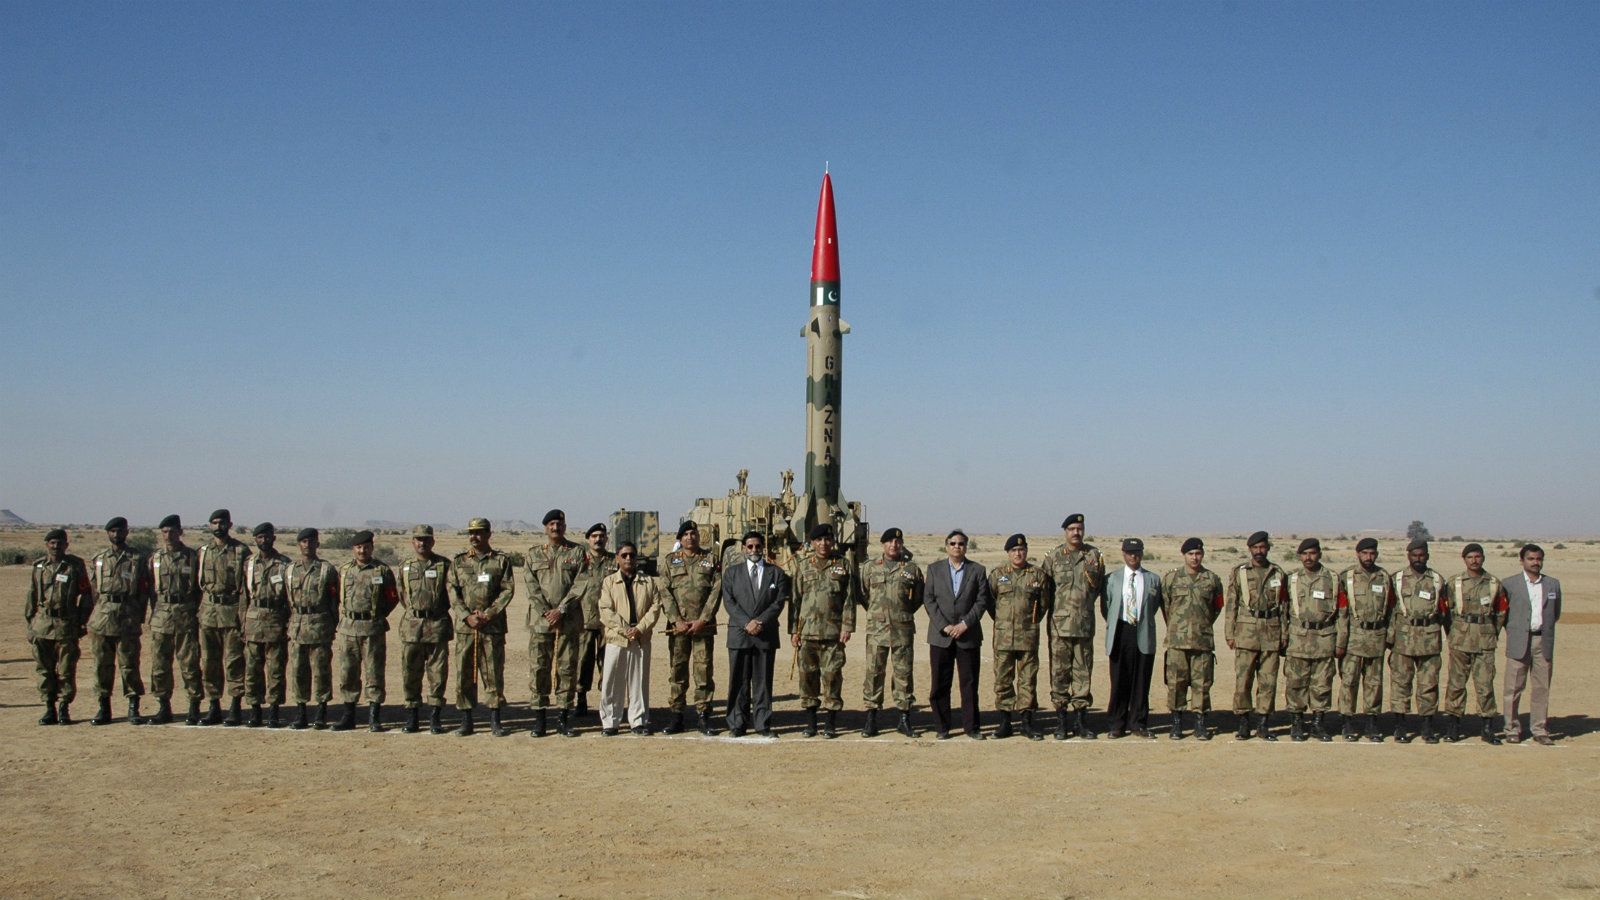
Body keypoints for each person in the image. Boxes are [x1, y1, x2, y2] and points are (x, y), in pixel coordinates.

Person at [787, 523, 860, 738]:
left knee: (832, 677)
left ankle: (830, 723)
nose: (824, 544)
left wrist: (847, 626)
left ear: (832, 541)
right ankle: (811, 723)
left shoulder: (842, 565)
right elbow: (795, 600)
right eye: (819, 540)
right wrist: (794, 630)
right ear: (812, 543)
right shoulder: (803, 565)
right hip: (807, 631)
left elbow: (849, 599)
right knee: (807, 677)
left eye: (828, 540)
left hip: (833, 632)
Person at [522, 509, 589, 737]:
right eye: (551, 524)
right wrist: (546, 612)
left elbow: (580, 584)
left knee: (567, 669)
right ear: (545, 527)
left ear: (564, 526)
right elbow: (531, 587)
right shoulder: (533, 555)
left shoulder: (577, 553)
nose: (555, 528)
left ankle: (563, 717)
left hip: (568, 621)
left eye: (559, 524)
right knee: (539, 668)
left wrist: (561, 610)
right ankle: (540, 718)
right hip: (541, 623)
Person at [451, 518, 516, 736]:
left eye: (479, 532)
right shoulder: (459, 562)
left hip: (492, 628)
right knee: (464, 673)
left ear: (489, 534)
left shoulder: (500, 561)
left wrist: (488, 614)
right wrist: (466, 616)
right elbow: (453, 593)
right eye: (471, 532)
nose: (474, 536)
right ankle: (466, 719)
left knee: (493, 674)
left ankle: (495, 719)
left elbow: (507, 590)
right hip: (466, 629)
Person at [1041, 513, 1104, 739]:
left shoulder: (1094, 556)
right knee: (1059, 674)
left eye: (1079, 528)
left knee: (1083, 674)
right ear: (1065, 531)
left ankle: (1080, 722)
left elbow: (1097, 589)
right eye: (1072, 529)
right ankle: (1060, 722)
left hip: (1084, 626)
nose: (1076, 532)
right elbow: (1045, 592)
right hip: (1059, 627)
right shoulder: (1054, 557)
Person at [923, 529, 991, 740]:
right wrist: (944, 626)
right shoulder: (934, 569)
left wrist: (964, 625)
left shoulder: (978, 570)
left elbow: (981, 601)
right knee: (940, 684)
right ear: (946, 546)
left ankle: (971, 727)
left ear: (966, 547)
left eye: (961, 544)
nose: (957, 547)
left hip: (967, 635)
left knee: (969, 684)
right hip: (940, 636)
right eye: (953, 543)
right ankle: (942, 727)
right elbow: (929, 600)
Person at [722, 531, 788, 737]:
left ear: (763, 548)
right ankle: (737, 723)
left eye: (758, 546)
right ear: (743, 549)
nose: (754, 550)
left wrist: (759, 622)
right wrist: (746, 623)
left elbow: (778, 602)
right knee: (738, 682)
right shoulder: (732, 573)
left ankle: (762, 723)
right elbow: (729, 601)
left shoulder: (776, 573)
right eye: (749, 547)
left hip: (764, 634)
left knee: (762, 682)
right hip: (739, 634)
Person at [859, 527, 923, 738]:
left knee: (903, 675)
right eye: (889, 542)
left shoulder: (912, 569)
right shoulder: (870, 568)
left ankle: (904, 718)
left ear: (901, 544)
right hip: (877, 630)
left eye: (897, 542)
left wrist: (900, 613)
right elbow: (863, 595)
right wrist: (879, 613)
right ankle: (871, 718)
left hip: (902, 630)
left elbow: (917, 598)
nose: (893, 545)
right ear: (883, 544)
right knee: (874, 673)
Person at [86, 517, 151, 726]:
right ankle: (104, 707)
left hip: (127, 617)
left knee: (129, 664)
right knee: (102, 665)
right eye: (112, 531)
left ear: (127, 532)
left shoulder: (137, 558)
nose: (116, 535)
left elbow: (143, 590)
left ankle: (133, 707)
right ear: (108, 533)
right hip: (102, 618)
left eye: (119, 531)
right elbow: (93, 591)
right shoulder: (99, 559)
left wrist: (138, 617)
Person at [660, 521, 723, 735]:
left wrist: (703, 619)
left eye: (693, 533)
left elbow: (716, 591)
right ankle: (677, 716)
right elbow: (664, 593)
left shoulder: (710, 560)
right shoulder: (670, 561)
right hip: (677, 629)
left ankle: (704, 716)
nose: (690, 538)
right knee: (678, 671)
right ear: (680, 538)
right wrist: (676, 619)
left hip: (702, 628)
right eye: (685, 534)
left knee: (703, 672)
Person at [1442, 543, 1508, 743]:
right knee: (1456, 684)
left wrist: (1491, 633)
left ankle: (1487, 726)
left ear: (1483, 558)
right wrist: (1454, 633)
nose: (1474, 560)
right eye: (1470, 557)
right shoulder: (1455, 583)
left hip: (1484, 639)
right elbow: (1447, 612)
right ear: (1464, 559)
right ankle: (1453, 725)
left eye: (1478, 557)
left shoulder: (1494, 584)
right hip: (1460, 639)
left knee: (1485, 684)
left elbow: (1501, 613)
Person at [1225, 531, 1288, 740]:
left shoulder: (1278, 573)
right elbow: (1231, 604)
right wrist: (1229, 632)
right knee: (1243, 679)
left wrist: (1284, 635)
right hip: (1246, 631)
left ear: (1268, 548)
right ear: (1249, 549)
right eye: (1255, 548)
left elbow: (1285, 607)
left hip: (1271, 631)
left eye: (1262, 547)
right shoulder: (1240, 572)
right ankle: (1243, 722)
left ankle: (1263, 723)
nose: (1259, 551)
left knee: (1268, 680)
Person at [25, 528, 92, 725]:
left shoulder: (75, 566)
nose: (56, 547)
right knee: (44, 669)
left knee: (66, 669)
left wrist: (81, 620)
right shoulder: (38, 567)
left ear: (66, 545)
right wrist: (30, 623)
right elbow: (32, 596)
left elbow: (86, 594)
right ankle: (48, 708)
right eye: (52, 543)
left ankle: (64, 707)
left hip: (66, 624)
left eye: (60, 543)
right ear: (47, 545)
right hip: (42, 624)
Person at [986, 534, 1050, 740]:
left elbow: (1043, 604)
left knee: (1027, 680)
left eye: (1022, 550)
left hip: (1028, 637)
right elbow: (990, 603)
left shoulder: (1037, 575)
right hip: (1004, 638)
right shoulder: (997, 575)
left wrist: (1028, 622)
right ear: (1008, 553)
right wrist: (1004, 622)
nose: (1018, 553)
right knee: (1003, 680)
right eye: (1014, 550)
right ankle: (1005, 722)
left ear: (1027, 552)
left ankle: (1027, 722)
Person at [596, 541, 664, 735]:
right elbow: (605, 610)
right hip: (617, 639)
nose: (628, 559)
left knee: (639, 682)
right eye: (624, 555)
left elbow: (655, 606)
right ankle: (610, 721)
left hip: (640, 639)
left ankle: (638, 720)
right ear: (617, 558)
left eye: (631, 555)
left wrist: (640, 628)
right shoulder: (609, 582)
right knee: (612, 682)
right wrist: (625, 629)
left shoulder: (648, 582)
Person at [333, 531, 398, 732]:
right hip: (349, 628)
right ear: (353, 549)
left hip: (372, 628)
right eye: (359, 547)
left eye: (366, 547)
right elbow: (335, 596)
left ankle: (374, 716)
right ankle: (349, 715)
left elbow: (393, 597)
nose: (363, 550)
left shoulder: (382, 571)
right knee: (348, 673)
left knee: (374, 672)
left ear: (372, 547)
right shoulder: (344, 571)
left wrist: (377, 614)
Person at [1160, 537, 1224, 740]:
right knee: (1176, 683)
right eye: (1190, 554)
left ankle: (1200, 723)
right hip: (1177, 642)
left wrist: (1202, 625)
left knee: (1202, 684)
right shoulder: (1171, 579)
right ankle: (1177, 723)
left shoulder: (1212, 580)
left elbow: (1217, 607)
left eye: (1198, 554)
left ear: (1202, 555)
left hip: (1202, 641)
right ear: (1184, 555)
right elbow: (1165, 607)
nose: (1194, 558)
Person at [1282, 538, 1345, 742]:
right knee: (1295, 684)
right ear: (1299, 556)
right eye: (1304, 554)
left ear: (1319, 554)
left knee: (1322, 684)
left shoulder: (1333, 579)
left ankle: (1318, 723)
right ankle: (1297, 723)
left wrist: (1340, 641)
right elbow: (1282, 610)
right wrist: (1283, 638)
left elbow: (1342, 613)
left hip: (1324, 639)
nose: (1308, 557)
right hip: (1297, 639)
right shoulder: (1291, 579)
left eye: (1312, 553)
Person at [1387, 539, 1449, 744]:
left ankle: (1427, 725)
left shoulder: (1437, 580)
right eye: (1414, 555)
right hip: (1402, 640)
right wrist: (1389, 639)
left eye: (1422, 555)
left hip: (1429, 639)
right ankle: (1400, 725)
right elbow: (1388, 610)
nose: (1418, 559)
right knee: (1400, 684)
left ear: (1428, 556)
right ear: (1408, 556)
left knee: (1428, 685)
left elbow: (1444, 611)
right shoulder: (1396, 579)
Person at [1101, 538, 1163, 738]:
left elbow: (1153, 607)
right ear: (1123, 553)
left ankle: (1138, 723)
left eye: (1137, 552)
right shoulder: (1112, 579)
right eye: (1129, 552)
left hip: (1143, 631)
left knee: (1141, 680)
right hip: (1120, 631)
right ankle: (1117, 724)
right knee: (1119, 679)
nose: (1133, 556)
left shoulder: (1153, 579)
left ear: (1142, 553)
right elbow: (1106, 607)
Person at [1335, 538, 1394, 741]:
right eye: (1364, 553)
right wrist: (1340, 642)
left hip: (1376, 638)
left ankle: (1371, 722)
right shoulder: (1346, 577)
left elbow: (1391, 610)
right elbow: (1340, 612)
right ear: (1357, 554)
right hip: (1353, 638)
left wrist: (1390, 636)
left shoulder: (1384, 577)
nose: (1368, 557)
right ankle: (1347, 721)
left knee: (1374, 683)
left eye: (1372, 553)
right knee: (1349, 682)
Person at [1503, 544, 1561, 745]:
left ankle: (1539, 729)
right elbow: (1502, 615)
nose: (1535, 562)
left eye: (1538, 559)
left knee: (1541, 687)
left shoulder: (1553, 584)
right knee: (1513, 687)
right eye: (1531, 559)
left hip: (1542, 641)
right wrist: (1514, 631)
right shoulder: (1509, 584)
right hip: (1518, 640)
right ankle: (1511, 728)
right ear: (1522, 561)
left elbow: (1556, 613)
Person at [397, 525, 453, 734]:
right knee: (410, 672)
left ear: (433, 542)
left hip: (437, 624)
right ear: (413, 541)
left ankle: (435, 716)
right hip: (412, 627)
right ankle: (412, 715)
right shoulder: (405, 567)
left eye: (426, 540)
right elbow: (401, 595)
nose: (422, 543)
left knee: (437, 673)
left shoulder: (443, 565)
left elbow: (450, 595)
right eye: (419, 539)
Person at [197, 509, 251, 726]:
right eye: (214, 522)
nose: (218, 526)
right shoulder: (202, 552)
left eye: (222, 523)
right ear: (209, 525)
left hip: (232, 612)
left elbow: (246, 589)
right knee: (209, 661)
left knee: (234, 661)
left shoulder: (240, 551)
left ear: (230, 525)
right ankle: (214, 706)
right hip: (208, 613)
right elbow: (195, 587)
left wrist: (244, 617)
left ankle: (235, 706)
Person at [146, 514, 201, 725]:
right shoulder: (155, 559)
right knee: (160, 665)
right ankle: (163, 706)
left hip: (186, 615)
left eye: (172, 531)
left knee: (189, 664)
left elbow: (199, 588)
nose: (168, 536)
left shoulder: (192, 557)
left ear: (181, 532)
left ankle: (194, 706)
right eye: (164, 532)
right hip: (161, 617)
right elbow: (150, 590)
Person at [285, 528, 340, 729]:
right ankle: (301, 711)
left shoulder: (327, 569)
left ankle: (321, 710)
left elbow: (335, 600)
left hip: (320, 624)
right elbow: (286, 600)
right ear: (299, 544)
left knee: (321, 670)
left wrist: (332, 624)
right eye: (304, 541)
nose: (307, 545)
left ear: (318, 544)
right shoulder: (290, 570)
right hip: (298, 624)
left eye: (311, 541)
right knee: (298, 669)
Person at [242, 522, 291, 728]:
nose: (264, 541)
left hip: (276, 620)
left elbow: (290, 598)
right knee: (253, 669)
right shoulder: (248, 564)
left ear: (274, 538)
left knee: (276, 669)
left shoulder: (285, 564)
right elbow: (243, 596)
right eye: (260, 537)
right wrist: (241, 623)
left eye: (267, 537)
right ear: (255, 539)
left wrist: (288, 623)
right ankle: (254, 709)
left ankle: (274, 709)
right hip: (253, 621)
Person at [574, 522, 616, 718]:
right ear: (588, 539)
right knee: (584, 661)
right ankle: (581, 698)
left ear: (607, 539)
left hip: (609, 621)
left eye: (602, 536)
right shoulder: (579, 560)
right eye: (594, 536)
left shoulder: (614, 561)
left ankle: (606, 700)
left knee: (607, 662)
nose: (598, 539)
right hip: (584, 618)